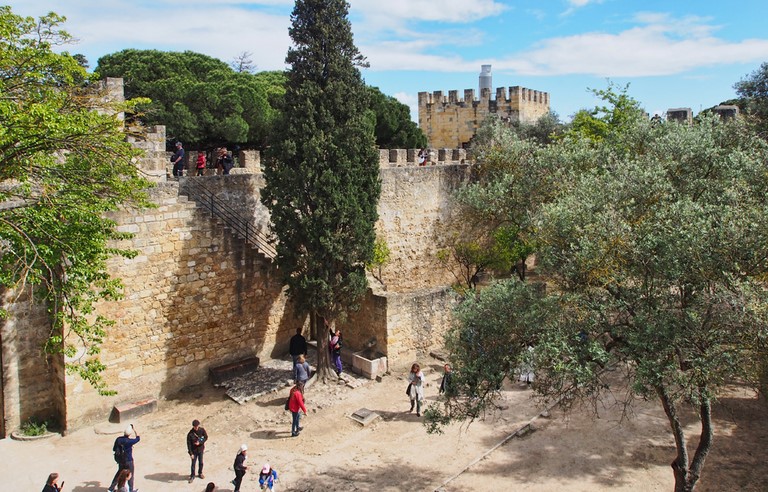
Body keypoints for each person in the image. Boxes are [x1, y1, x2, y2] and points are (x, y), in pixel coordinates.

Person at [109, 424, 140, 492]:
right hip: (129, 461)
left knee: (119, 474)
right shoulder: (129, 441)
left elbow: (114, 449)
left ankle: (111, 488)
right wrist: (135, 430)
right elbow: (138, 438)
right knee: (130, 475)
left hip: (121, 460)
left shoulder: (118, 440)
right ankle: (131, 489)